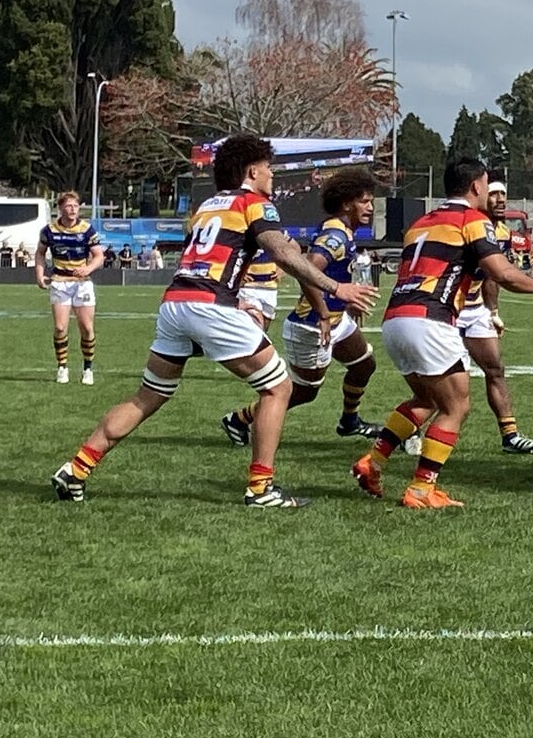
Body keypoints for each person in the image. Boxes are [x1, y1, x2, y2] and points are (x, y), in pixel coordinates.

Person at [53, 136, 378, 507]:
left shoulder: (207, 206)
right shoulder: (254, 203)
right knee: (279, 389)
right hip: (210, 307)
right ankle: (260, 489)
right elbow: (281, 253)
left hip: (176, 303)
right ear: (252, 171)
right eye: (269, 168)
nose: (272, 175)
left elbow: (208, 259)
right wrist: (338, 287)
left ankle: (76, 468)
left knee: (149, 396)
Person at [353, 159, 533, 509]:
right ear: (475, 187)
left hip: (395, 318)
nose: (489, 192)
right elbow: (501, 273)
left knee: (426, 401)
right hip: (430, 319)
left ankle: (373, 462)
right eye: (487, 185)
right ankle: (422, 488)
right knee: (457, 406)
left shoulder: (422, 222)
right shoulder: (472, 220)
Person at [219, 167, 383, 447]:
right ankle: (238, 419)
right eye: (364, 201)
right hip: (311, 326)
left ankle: (349, 421)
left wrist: (345, 303)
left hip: (335, 319)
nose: (370, 207)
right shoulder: (337, 235)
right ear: (346, 204)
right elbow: (306, 269)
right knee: (304, 392)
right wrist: (321, 312)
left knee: (364, 364)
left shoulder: (343, 230)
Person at [455, 177, 533, 455]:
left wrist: (492, 311)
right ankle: (409, 431)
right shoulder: (466, 224)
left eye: (504, 194)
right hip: (448, 309)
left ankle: (510, 436)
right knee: (448, 380)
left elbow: (492, 277)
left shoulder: (503, 232)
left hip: (475, 309)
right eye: (493, 194)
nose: (500, 200)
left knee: (495, 369)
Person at [36, 190, 105, 385]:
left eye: (75, 206)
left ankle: (88, 368)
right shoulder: (49, 230)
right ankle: (62, 368)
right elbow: (40, 253)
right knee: (59, 327)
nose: (73, 209)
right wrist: (40, 274)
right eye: (69, 206)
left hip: (82, 284)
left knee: (86, 327)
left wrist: (88, 268)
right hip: (59, 282)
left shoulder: (87, 229)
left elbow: (99, 256)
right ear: (61, 208)